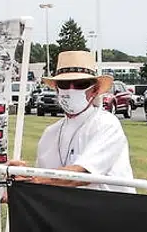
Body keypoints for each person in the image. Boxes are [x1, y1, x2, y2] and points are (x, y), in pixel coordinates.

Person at [18, 50, 134, 191]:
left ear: (95, 90)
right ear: (56, 89)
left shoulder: (107, 124)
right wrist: (18, 178)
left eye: (80, 84)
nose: (71, 90)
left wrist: (33, 179)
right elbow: (44, 186)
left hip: (108, 209)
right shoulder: (50, 134)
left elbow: (83, 174)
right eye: (64, 84)